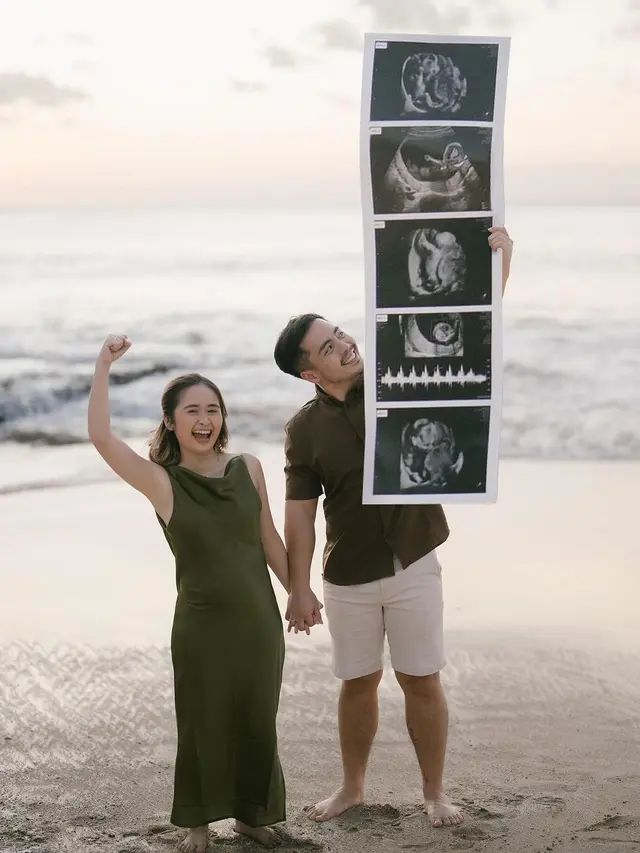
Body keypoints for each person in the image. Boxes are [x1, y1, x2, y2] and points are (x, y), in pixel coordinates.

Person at [273, 226, 514, 829]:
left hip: (413, 558)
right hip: (349, 571)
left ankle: (434, 793)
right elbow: (299, 513)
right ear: (309, 372)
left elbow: (467, 340)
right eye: (328, 348)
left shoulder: (398, 378)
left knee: (421, 680)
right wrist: (297, 587)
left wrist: (499, 269)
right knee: (357, 684)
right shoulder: (304, 429)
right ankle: (352, 787)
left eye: (340, 334)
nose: (346, 346)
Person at [88, 334, 291, 851]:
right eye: (193, 411)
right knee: (202, 722)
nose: (206, 420)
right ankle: (197, 823)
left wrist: (301, 592)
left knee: (256, 717)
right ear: (171, 422)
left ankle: (251, 815)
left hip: (259, 621)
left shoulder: (248, 467)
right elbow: (102, 438)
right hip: (201, 626)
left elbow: (268, 536)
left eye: (214, 410)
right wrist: (103, 366)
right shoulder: (163, 482)